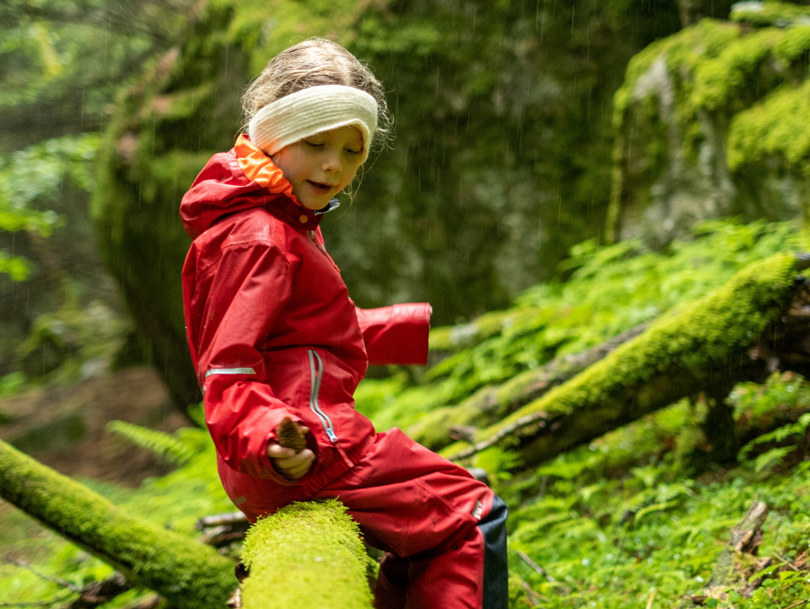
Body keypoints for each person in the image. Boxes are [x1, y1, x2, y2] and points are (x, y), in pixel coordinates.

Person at [179, 37, 508, 608]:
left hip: (290, 446)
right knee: (472, 516)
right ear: (273, 137)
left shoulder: (273, 217)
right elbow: (228, 367)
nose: (334, 165)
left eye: (352, 152)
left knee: (436, 530)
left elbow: (296, 331)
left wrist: (410, 328)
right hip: (302, 448)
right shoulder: (262, 235)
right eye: (316, 143)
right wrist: (271, 438)